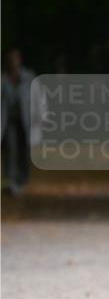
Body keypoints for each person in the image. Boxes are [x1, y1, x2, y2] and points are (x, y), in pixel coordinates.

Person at [1, 48, 46, 195]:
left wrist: (41, 115)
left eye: (15, 58)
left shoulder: (28, 77)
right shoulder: (3, 80)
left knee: (23, 151)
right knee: (11, 149)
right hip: (9, 121)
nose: (12, 62)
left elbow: (39, 97)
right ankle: (12, 180)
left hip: (27, 120)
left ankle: (22, 179)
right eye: (10, 59)